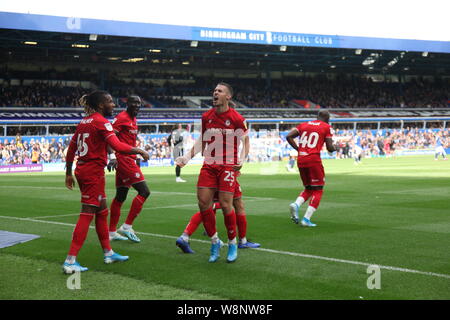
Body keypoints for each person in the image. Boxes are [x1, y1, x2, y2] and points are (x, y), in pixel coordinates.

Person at [63, 91, 149, 274]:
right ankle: (70, 260)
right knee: (87, 213)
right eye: (110, 101)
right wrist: (138, 150)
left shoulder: (84, 122)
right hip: (91, 172)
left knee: (102, 212)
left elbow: (71, 148)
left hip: (89, 171)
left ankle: (108, 253)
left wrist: (69, 172)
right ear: (101, 105)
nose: (113, 105)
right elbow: (117, 146)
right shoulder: (101, 122)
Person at [176, 82, 249, 263]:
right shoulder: (206, 116)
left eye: (220, 91)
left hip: (227, 166)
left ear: (228, 96)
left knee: (225, 206)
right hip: (209, 164)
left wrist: (241, 159)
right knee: (203, 204)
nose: (215, 92)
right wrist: (187, 157)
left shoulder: (237, 118)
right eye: (214, 90)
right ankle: (215, 241)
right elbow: (202, 140)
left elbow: (246, 142)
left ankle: (232, 243)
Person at [175, 176, 260, 253]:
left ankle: (186, 236)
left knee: (208, 207)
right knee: (237, 205)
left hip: (210, 174)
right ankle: (242, 241)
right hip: (225, 174)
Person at [107, 95, 151, 243]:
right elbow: (109, 137)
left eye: (139, 103)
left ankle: (111, 232)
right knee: (144, 191)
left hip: (129, 159)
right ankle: (127, 226)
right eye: (134, 103)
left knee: (120, 196)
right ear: (127, 103)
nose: (137, 105)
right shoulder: (122, 118)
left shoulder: (133, 119)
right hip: (124, 159)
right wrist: (112, 156)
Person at [286, 110, 336, 227]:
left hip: (301, 160)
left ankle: (296, 204)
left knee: (308, 188)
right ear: (327, 118)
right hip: (314, 160)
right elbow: (329, 148)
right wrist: (336, 147)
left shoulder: (304, 124)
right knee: (318, 189)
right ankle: (306, 219)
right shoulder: (326, 127)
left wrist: (298, 149)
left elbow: (288, 136)